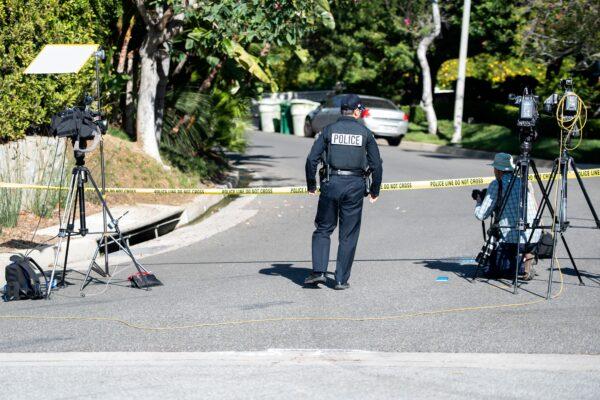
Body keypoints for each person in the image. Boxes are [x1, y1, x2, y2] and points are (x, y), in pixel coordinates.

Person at [304, 94, 383, 290]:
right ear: (356, 111)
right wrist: (375, 190)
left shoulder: (328, 131)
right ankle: (340, 280)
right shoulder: (366, 133)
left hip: (331, 183)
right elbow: (376, 165)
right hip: (355, 186)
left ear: (342, 111)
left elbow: (311, 160)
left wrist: (311, 185)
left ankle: (319, 272)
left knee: (323, 228)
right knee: (348, 234)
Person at [473, 153, 541, 280]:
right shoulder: (525, 181)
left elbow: (481, 215)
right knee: (520, 235)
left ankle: (515, 266)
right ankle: (527, 259)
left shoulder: (497, 184)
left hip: (513, 238)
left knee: (490, 268)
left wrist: (479, 201)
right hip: (535, 235)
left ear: (498, 170)